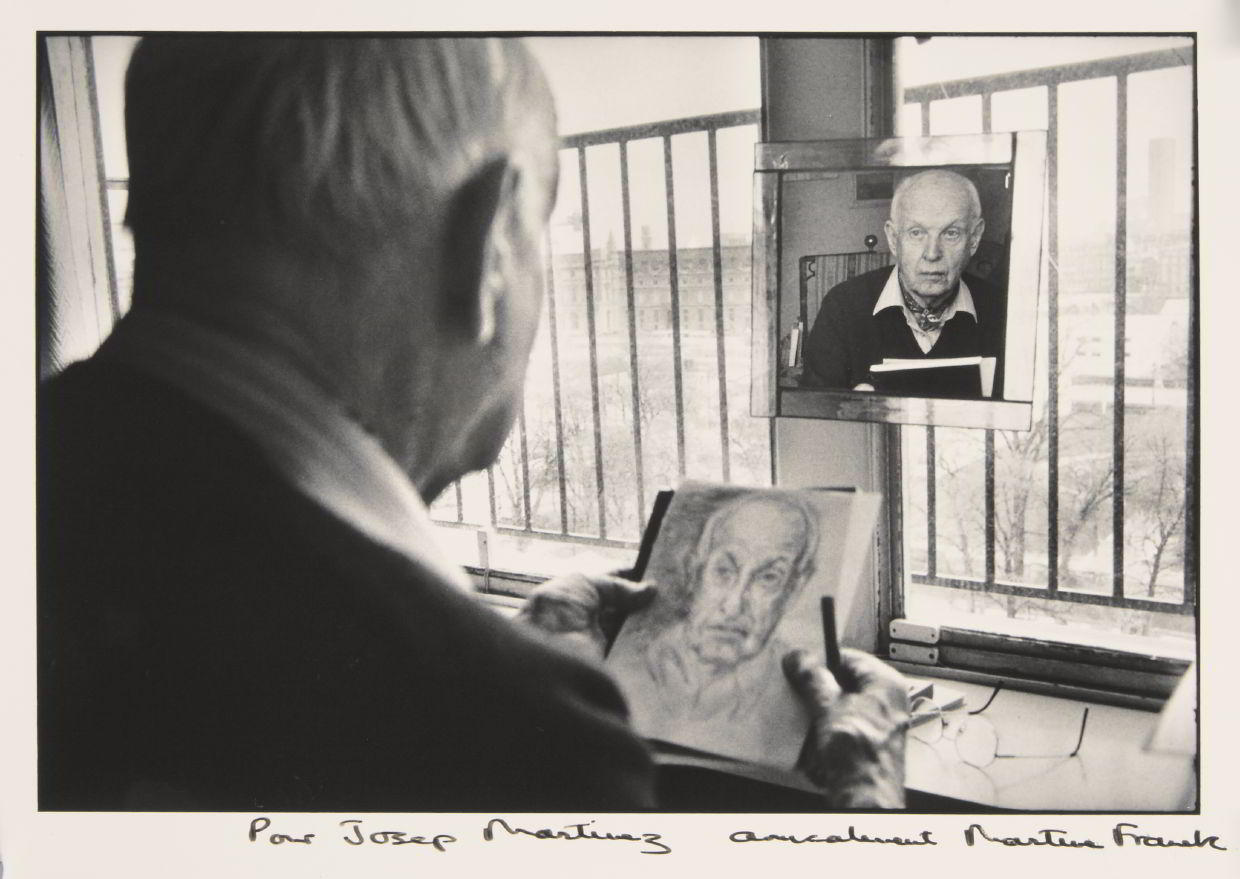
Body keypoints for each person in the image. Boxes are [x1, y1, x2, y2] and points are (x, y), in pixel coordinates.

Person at [38, 36, 909, 812]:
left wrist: (500, 650)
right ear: (491, 242)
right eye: (542, 237)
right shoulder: (512, 742)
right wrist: (864, 800)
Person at [800, 168, 1006, 397]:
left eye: (951, 233)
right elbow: (815, 416)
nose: (932, 253)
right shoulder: (843, 307)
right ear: (893, 238)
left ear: (974, 238)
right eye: (916, 233)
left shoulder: (1003, 311)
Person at [637, 495, 818, 722]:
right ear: (694, 572)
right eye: (723, 570)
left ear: (793, 591)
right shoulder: (639, 660)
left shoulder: (796, 691)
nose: (733, 607)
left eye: (768, 577)